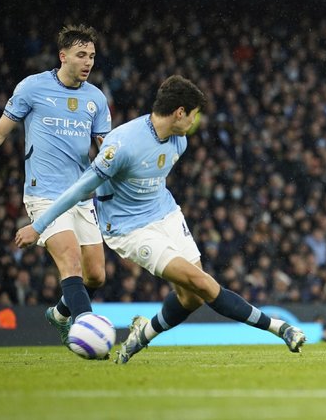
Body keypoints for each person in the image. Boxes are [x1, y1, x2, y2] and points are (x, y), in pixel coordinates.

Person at [15, 75, 306, 363]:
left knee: (191, 297)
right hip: (130, 229)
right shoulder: (123, 144)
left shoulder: (179, 142)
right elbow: (80, 188)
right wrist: (39, 225)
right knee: (202, 283)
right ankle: (282, 329)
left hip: (166, 214)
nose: (194, 122)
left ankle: (142, 335)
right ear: (180, 112)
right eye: (193, 115)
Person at [0, 24, 111, 346]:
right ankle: (87, 335)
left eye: (92, 56)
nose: (88, 62)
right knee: (70, 261)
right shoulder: (32, 88)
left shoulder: (96, 99)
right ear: (62, 56)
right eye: (81, 55)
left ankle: (61, 313)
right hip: (44, 193)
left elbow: (106, 148)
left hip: (80, 195)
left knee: (97, 275)